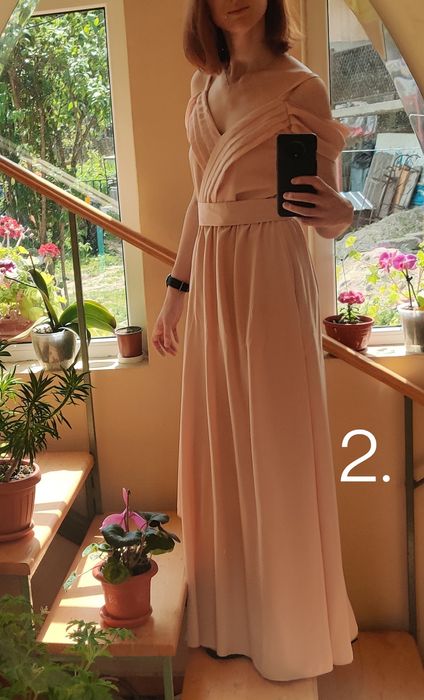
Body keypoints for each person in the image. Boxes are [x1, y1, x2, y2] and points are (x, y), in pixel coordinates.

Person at [151, 0, 358, 682]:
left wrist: (343, 213)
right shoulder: (203, 85)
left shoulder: (302, 87)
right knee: (220, 444)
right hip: (213, 276)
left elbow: (328, 211)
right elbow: (200, 198)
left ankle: (291, 631)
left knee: (276, 443)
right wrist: (176, 290)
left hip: (270, 268)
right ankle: (231, 621)